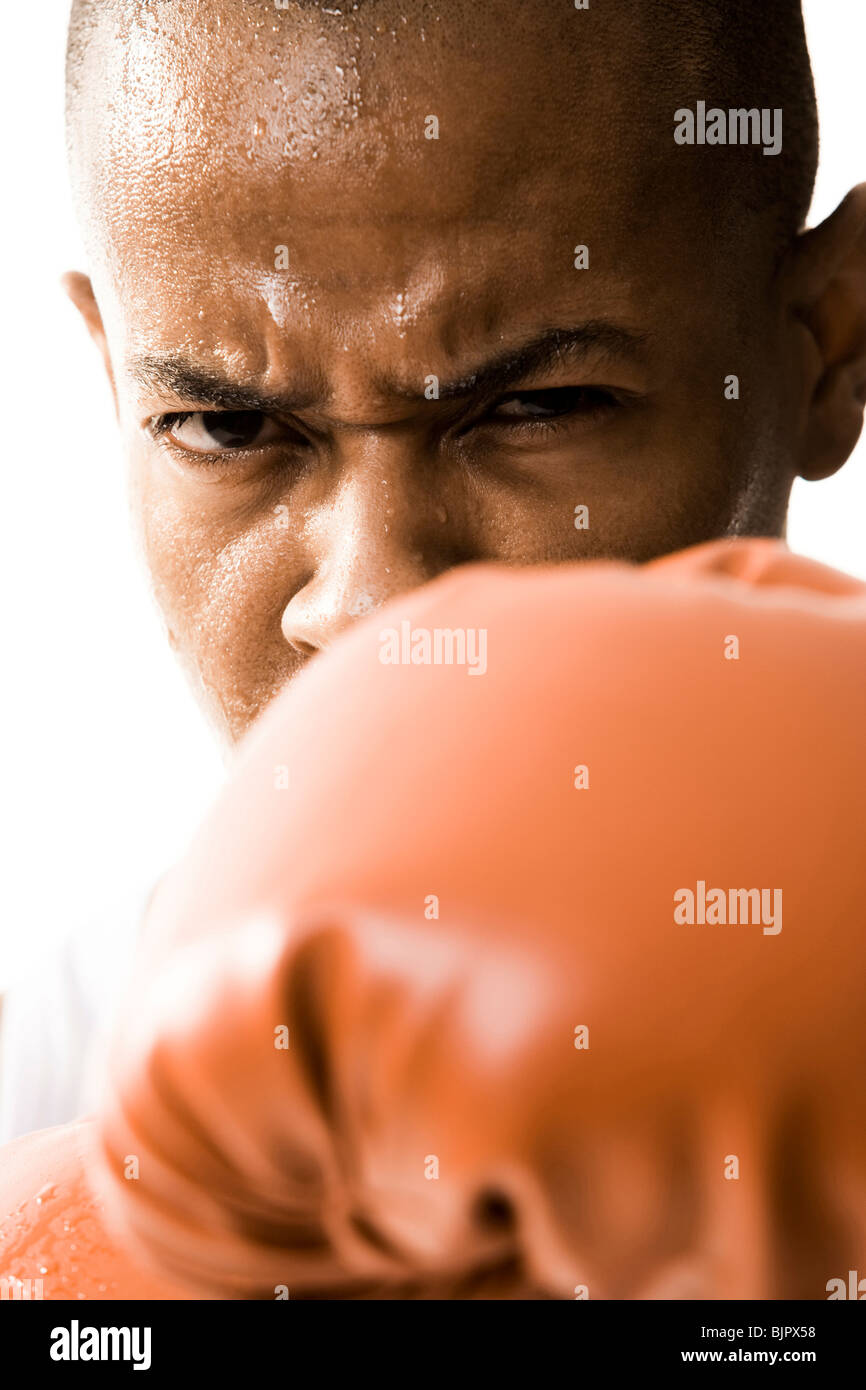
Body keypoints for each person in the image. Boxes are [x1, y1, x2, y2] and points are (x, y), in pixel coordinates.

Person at [2, 0, 865, 1138]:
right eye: (224, 427)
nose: (378, 609)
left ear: (828, 345)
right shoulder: (41, 1111)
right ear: (116, 386)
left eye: (534, 408)